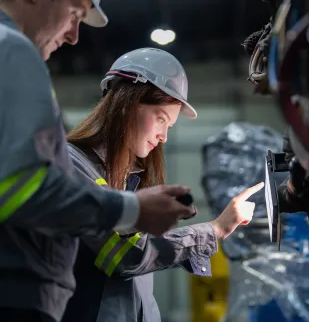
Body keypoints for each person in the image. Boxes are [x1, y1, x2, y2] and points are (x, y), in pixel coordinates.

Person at [0, 0, 194, 321]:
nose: (73, 36)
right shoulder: (13, 52)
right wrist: (129, 209)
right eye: (74, 13)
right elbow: (23, 188)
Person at [61, 47, 264, 322]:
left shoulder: (127, 180)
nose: (164, 137)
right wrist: (214, 230)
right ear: (126, 104)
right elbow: (126, 254)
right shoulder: (72, 166)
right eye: (161, 119)